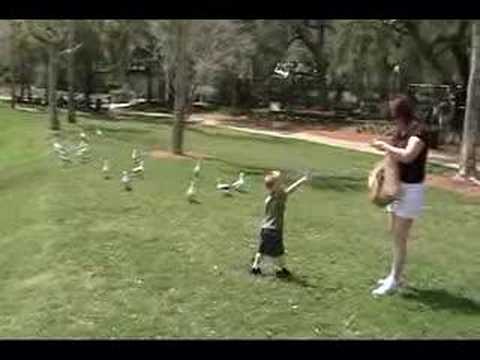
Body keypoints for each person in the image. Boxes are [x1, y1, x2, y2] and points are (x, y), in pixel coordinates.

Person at [370, 95, 429, 296]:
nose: (393, 119)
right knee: (393, 233)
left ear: (401, 113)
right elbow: (394, 156)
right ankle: (395, 275)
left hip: (411, 190)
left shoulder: (417, 131)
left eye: (394, 114)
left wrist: (385, 147)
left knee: (399, 236)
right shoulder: (400, 130)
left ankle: (394, 280)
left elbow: (408, 155)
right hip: (396, 187)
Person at [251, 171, 308, 278]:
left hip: (265, 228)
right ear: (274, 187)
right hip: (274, 230)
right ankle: (281, 269)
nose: (282, 184)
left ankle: (255, 267)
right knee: (279, 252)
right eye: (279, 183)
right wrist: (302, 181)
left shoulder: (268, 199)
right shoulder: (279, 198)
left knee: (261, 249)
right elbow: (291, 190)